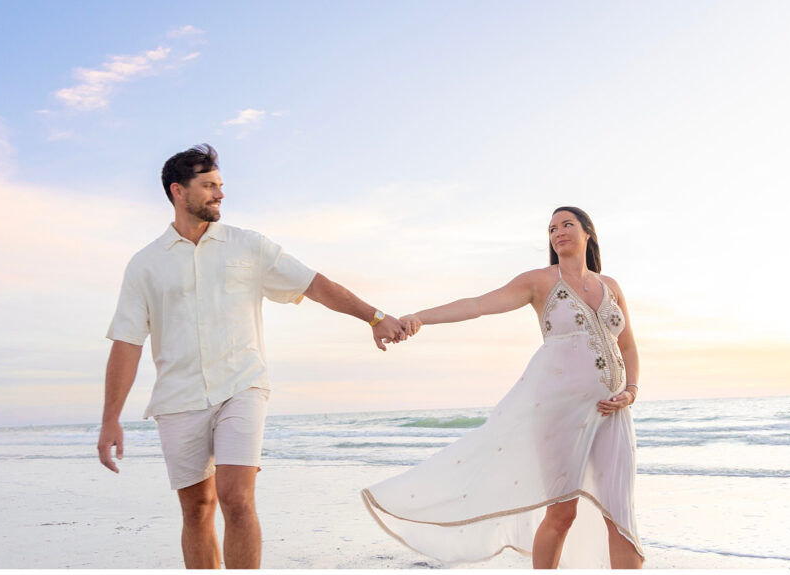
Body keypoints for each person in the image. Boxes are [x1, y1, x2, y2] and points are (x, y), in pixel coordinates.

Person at [96, 144, 408, 569]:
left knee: (236, 499)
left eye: (220, 186)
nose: (220, 194)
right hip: (178, 398)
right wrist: (110, 418)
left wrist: (372, 316)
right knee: (197, 510)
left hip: (242, 385)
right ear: (178, 191)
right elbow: (127, 343)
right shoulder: (145, 264)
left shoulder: (249, 246)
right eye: (208, 186)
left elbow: (316, 284)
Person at [362, 206, 644, 569]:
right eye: (552, 228)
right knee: (562, 514)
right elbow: (478, 305)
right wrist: (420, 318)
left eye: (567, 225)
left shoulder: (612, 287)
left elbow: (629, 346)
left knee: (620, 515)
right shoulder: (539, 281)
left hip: (614, 413)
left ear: (587, 232)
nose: (558, 232)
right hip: (559, 413)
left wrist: (632, 390)